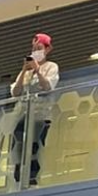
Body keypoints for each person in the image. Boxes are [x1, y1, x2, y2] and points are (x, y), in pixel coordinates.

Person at [10, 32, 59, 186]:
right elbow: (15, 92)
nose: (36, 51)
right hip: (22, 115)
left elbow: (47, 87)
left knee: (34, 148)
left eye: (39, 48)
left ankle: (33, 180)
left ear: (47, 49)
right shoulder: (25, 73)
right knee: (19, 147)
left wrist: (38, 70)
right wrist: (25, 70)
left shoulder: (51, 67)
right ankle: (18, 179)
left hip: (40, 116)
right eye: (34, 48)